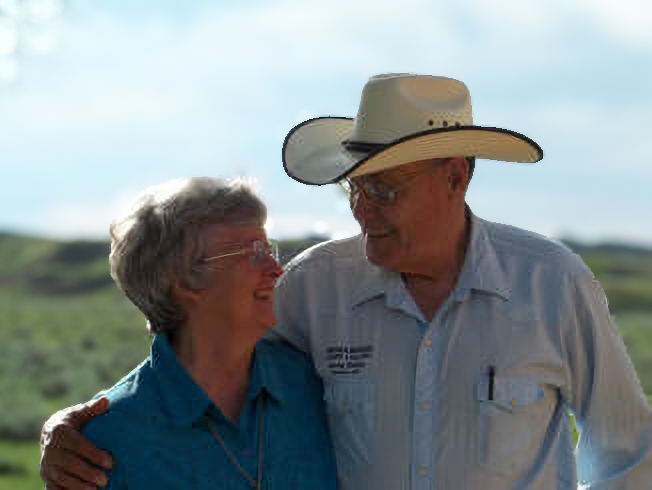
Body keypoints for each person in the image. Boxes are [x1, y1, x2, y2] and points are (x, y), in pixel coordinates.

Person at [40, 74, 652, 489]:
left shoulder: (551, 283)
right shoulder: (313, 287)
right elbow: (197, 335)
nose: (362, 209)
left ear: (456, 177)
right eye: (354, 188)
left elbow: (630, 452)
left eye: (385, 188)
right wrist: (79, 422)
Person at [39, 176, 337, 489]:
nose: (276, 269)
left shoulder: (315, 381)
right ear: (183, 282)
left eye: (269, 249)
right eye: (252, 253)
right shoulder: (106, 442)